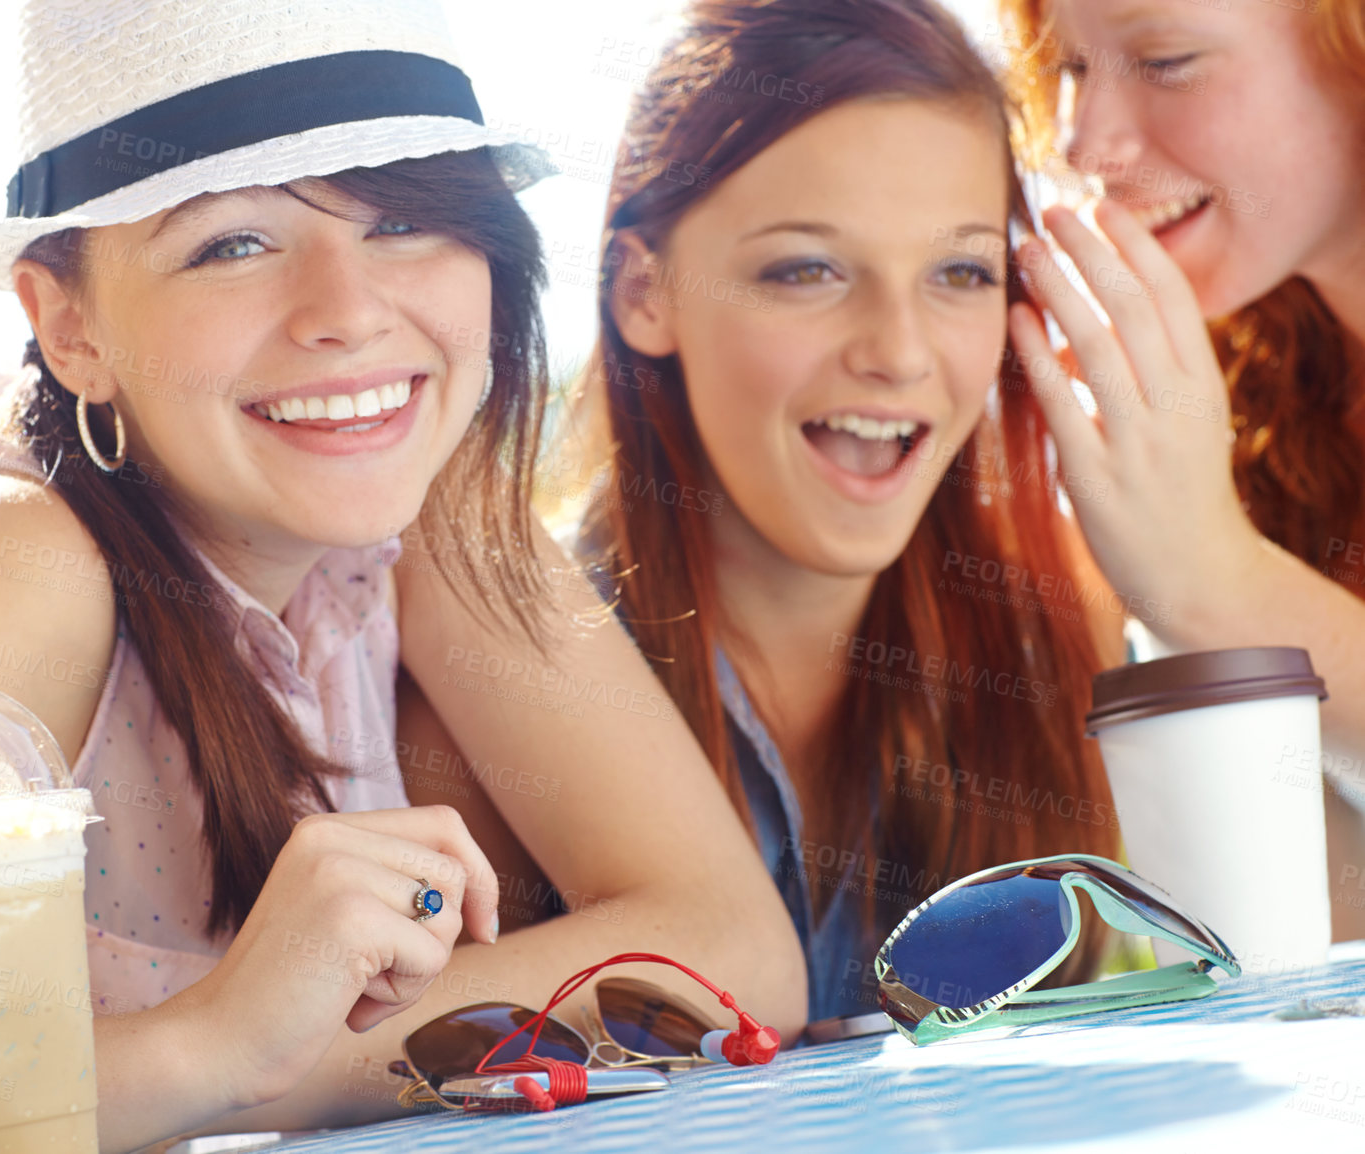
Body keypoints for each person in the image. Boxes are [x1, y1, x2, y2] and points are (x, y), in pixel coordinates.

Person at [0, 2, 802, 1150]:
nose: (347, 312)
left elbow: (733, 951)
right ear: (68, 321)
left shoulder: (415, 513)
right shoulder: (17, 562)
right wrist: (214, 1048)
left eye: (405, 219)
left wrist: (276, 1058)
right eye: (232, 241)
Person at [402, 0, 1126, 1022]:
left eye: (959, 271)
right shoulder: (482, 698)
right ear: (643, 292)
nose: (900, 350)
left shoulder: (1052, 650)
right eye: (808, 270)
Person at [997, 0, 1365, 935]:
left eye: (1164, 60)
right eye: (1072, 69)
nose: (1086, 145)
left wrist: (1215, 583)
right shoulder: (1231, 395)